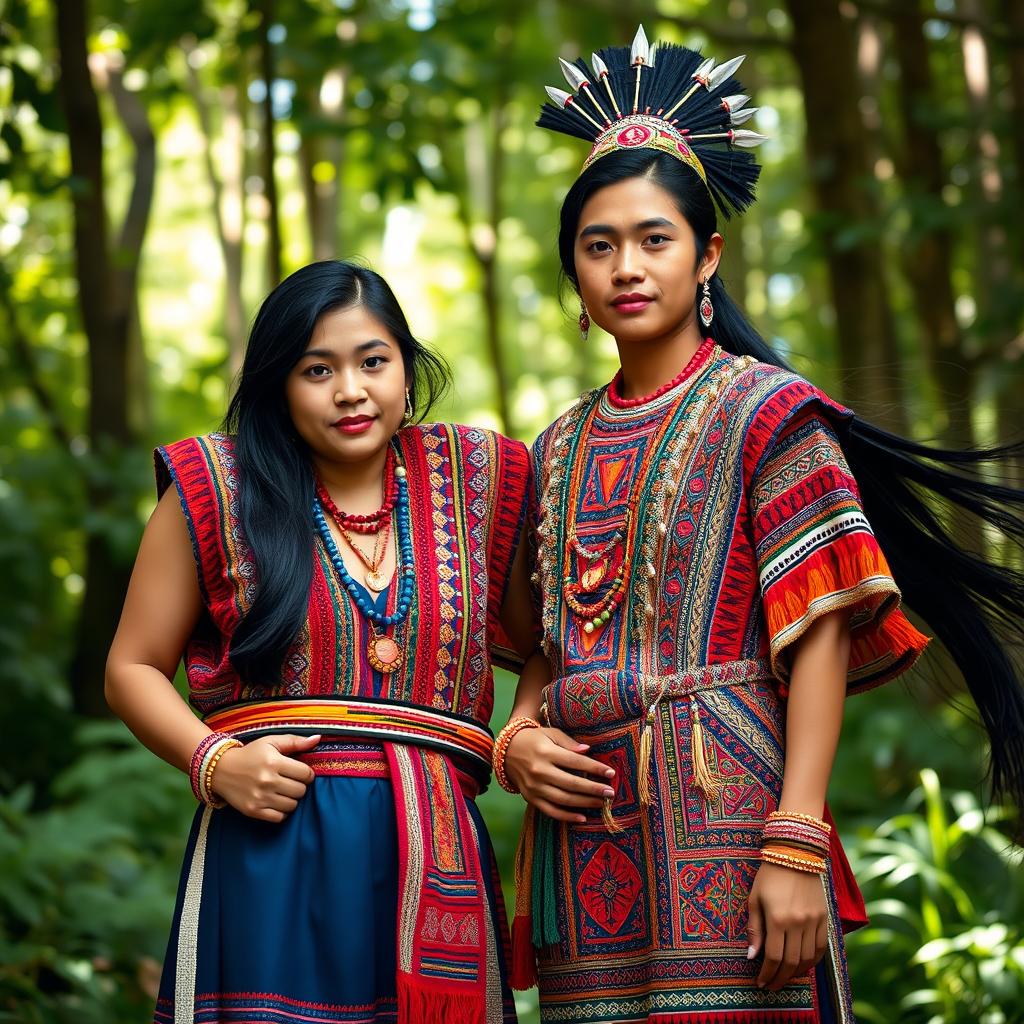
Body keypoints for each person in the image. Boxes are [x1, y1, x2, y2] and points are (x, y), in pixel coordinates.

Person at [492, 28, 1024, 1023]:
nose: (625, 266)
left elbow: (817, 627)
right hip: (581, 835)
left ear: (708, 254)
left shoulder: (769, 412)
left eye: (654, 238)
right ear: (573, 271)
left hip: (729, 806)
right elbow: (549, 646)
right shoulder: (557, 445)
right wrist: (514, 738)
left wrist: (795, 835)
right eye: (597, 245)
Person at [105, 260, 541, 1024]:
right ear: (280, 383)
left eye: (373, 361)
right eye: (318, 369)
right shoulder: (216, 484)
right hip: (269, 850)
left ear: (406, 370)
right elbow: (131, 667)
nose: (350, 389)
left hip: (434, 860)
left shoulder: (483, 479)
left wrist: (521, 730)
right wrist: (216, 763)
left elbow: (551, 643)